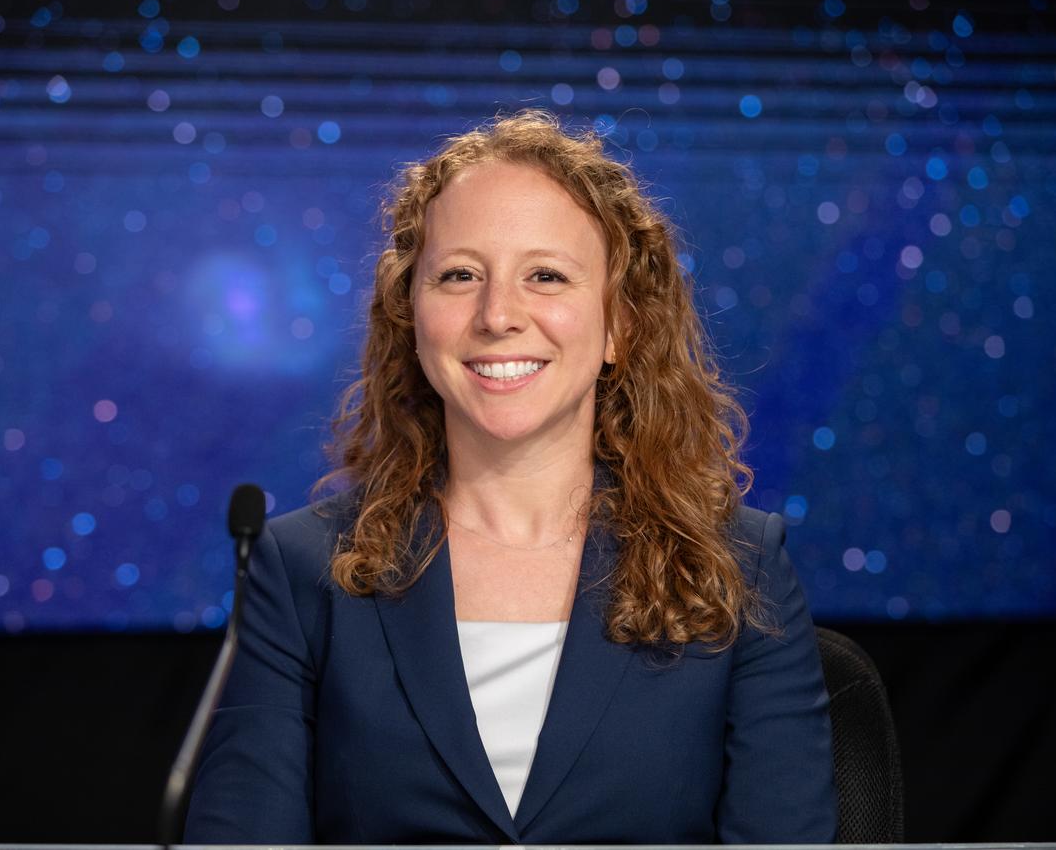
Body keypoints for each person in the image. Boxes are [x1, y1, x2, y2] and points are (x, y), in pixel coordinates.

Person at [184, 110, 837, 844]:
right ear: (411, 314)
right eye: (459, 275)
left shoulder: (739, 565)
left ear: (620, 323)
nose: (498, 315)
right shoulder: (302, 572)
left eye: (546, 275)